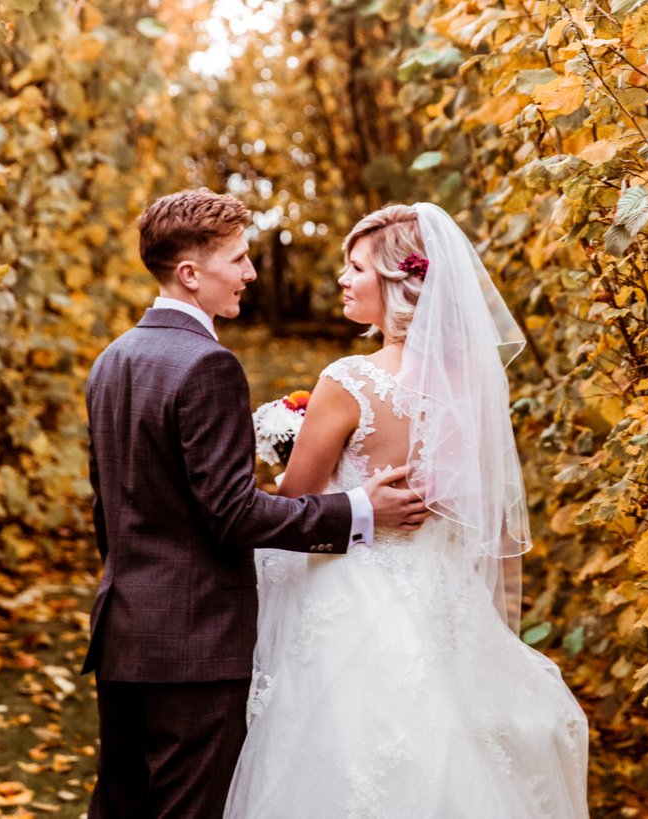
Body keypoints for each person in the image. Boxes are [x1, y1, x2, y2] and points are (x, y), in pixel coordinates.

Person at [224, 203, 589, 818]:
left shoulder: (348, 380)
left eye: (355, 267)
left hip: (351, 589)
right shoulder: (471, 379)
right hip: (446, 595)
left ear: (399, 281)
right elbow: (474, 502)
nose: (342, 278)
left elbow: (293, 508)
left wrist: (288, 467)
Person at [83, 189, 430, 819]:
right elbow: (233, 514)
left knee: (120, 806)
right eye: (238, 259)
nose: (249, 273)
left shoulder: (112, 360)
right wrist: (358, 511)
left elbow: (109, 510)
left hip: (123, 632)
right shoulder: (206, 365)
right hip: (197, 644)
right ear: (191, 274)